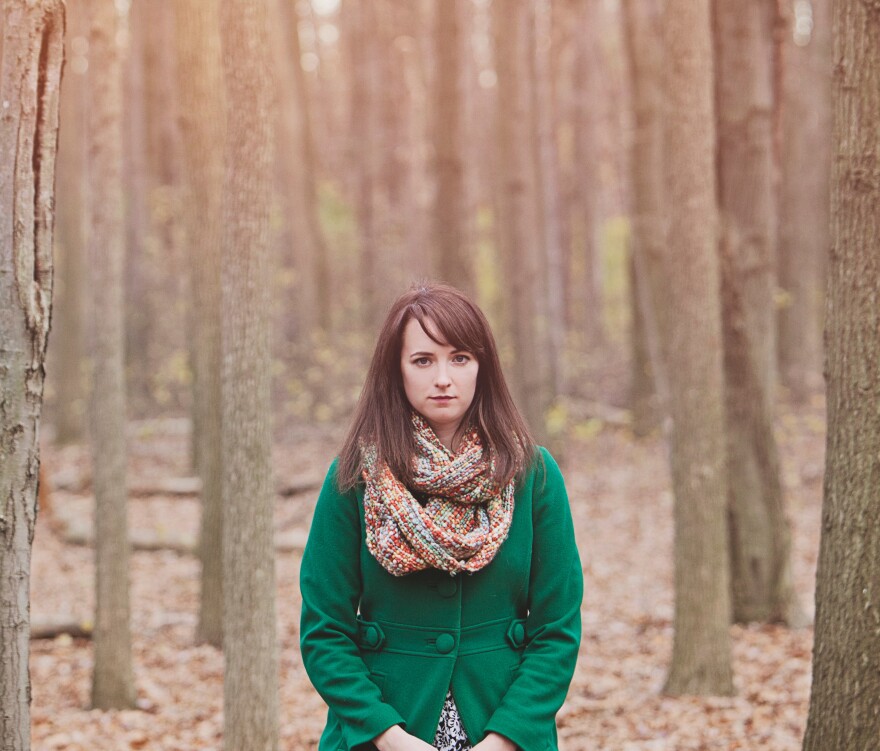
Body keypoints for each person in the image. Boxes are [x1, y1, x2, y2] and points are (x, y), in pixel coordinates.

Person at [300, 283, 582, 751]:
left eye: (460, 358)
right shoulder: (354, 475)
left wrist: (506, 737)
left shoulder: (533, 474)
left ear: (482, 368)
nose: (443, 378)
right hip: (383, 732)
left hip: (503, 725)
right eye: (423, 360)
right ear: (397, 371)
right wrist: (388, 737)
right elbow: (324, 632)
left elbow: (557, 629)